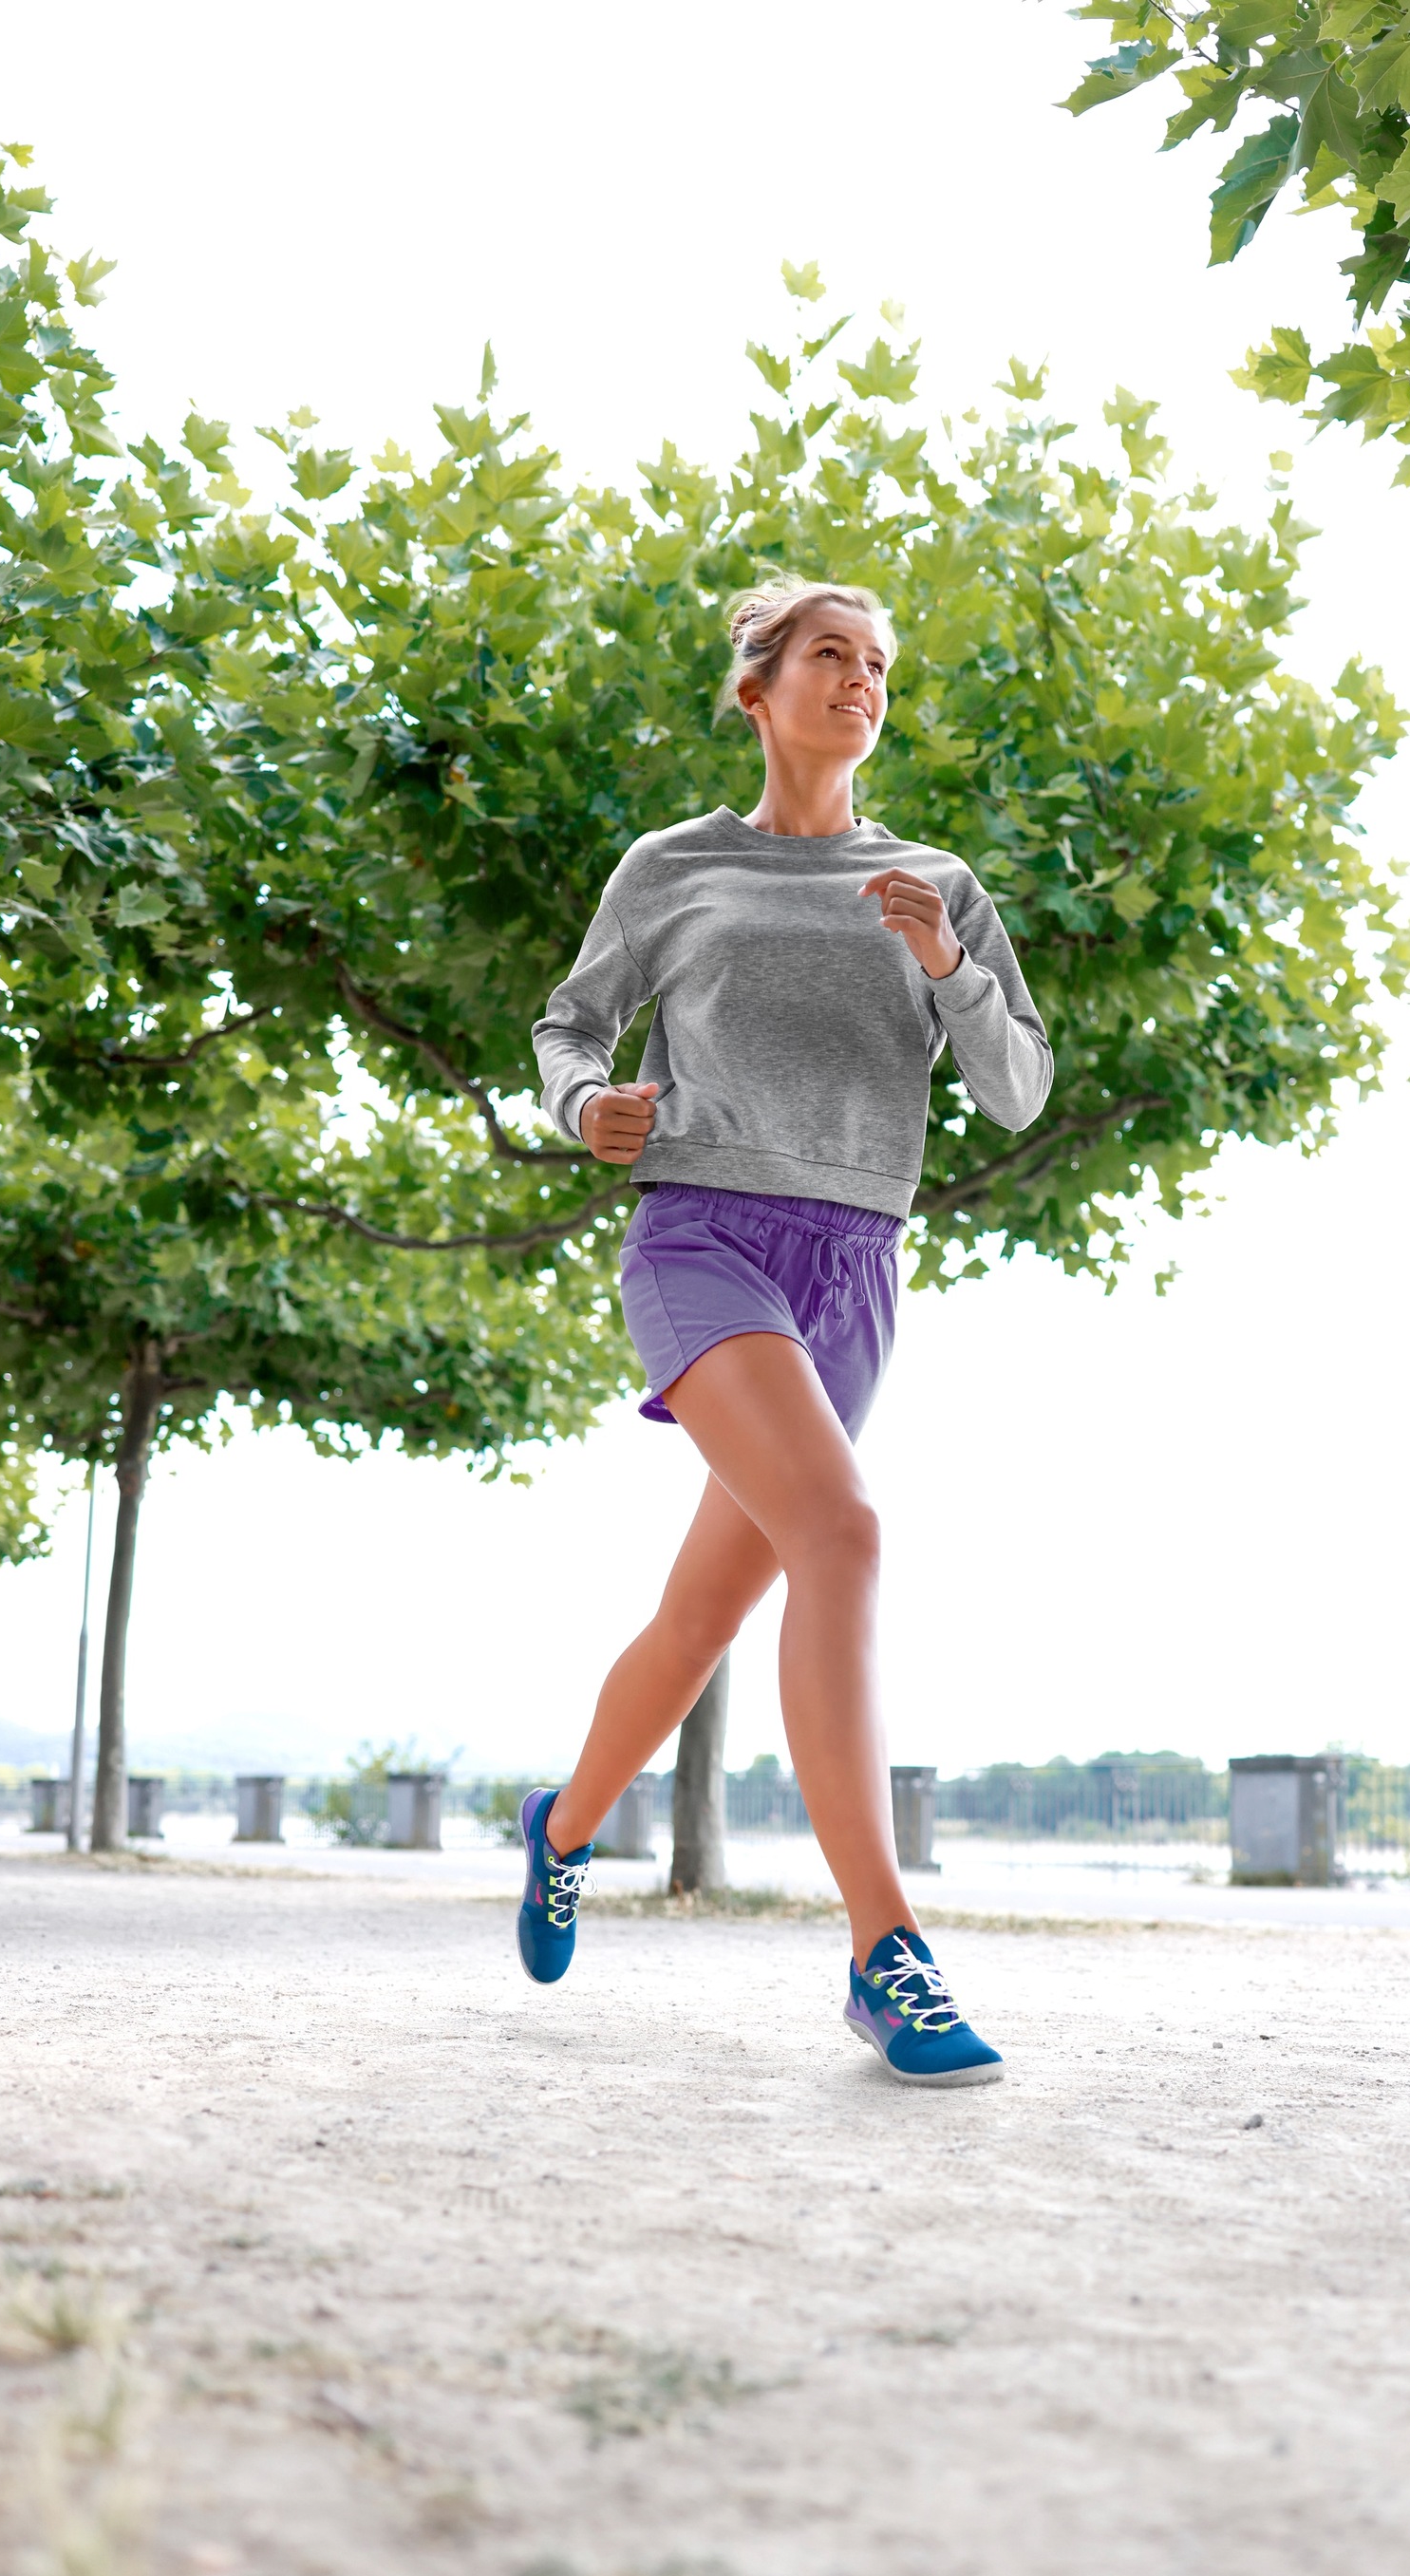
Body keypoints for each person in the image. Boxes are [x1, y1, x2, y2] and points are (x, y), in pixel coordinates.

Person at [517, 573, 1052, 2086]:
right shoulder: (673, 866)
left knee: (702, 1619)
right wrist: (586, 1104)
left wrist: (946, 967)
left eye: (878, 662)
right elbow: (569, 1026)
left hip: (855, 1265)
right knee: (845, 1534)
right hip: (702, 1237)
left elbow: (1017, 1088)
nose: (860, 678)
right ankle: (888, 1956)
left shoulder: (935, 884)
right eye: (830, 653)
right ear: (757, 689)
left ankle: (562, 1831)